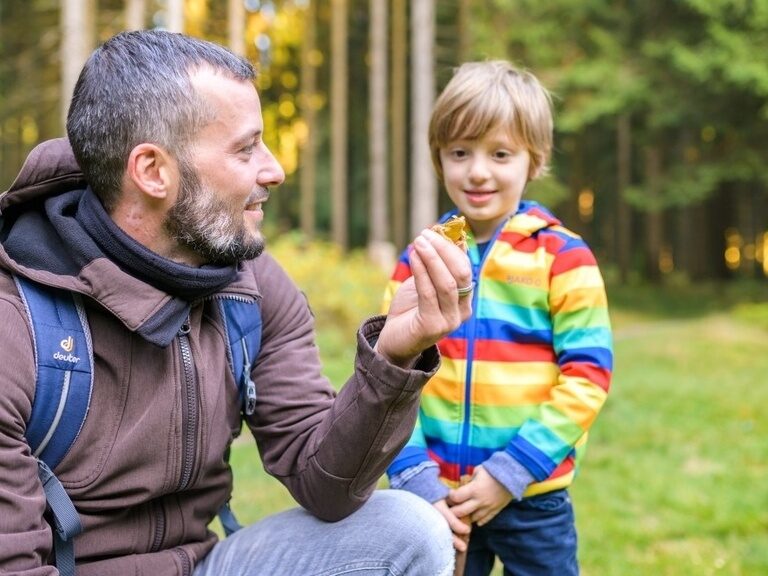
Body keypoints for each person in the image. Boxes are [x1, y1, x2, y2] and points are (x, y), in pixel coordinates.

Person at [0, 30, 475, 576]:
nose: (274, 170)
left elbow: (326, 484)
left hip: (206, 564)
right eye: (246, 149)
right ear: (152, 171)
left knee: (409, 529)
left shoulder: (251, 286)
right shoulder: (16, 326)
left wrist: (394, 355)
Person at [381, 61, 613, 575]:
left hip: (531, 493)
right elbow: (386, 374)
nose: (478, 171)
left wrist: (511, 471)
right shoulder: (421, 258)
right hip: (438, 500)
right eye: (460, 152)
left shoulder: (563, 256)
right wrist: (414, 475)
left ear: (534, 159)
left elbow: (588, 375)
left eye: (500, 154)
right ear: (439, 158)